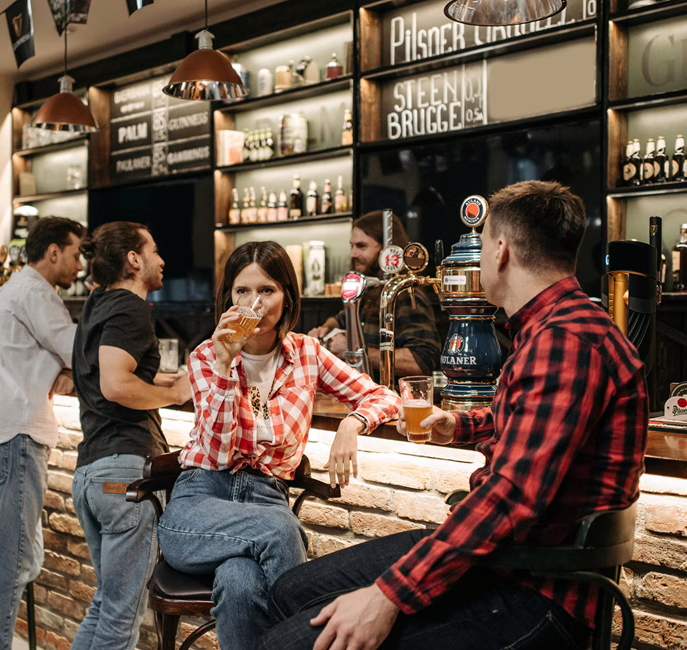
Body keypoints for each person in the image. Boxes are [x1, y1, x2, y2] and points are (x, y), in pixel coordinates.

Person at [259, 181, 649, 650]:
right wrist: (459, 425)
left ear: (501, 250)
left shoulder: (562, 342)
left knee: (287, 642)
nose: (479, 255)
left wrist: (388, 596)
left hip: (536, 589)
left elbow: (510, 499)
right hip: (507, 561)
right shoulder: (559, 328)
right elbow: (538, 429)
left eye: (482, 242)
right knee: (289, 591)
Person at [157, 241, 400, 650]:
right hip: (200, 504)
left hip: (267, 497)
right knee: (278, 527)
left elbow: (384, 397)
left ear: (287, 295)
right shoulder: (205, 357)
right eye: (242, 292)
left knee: (238, 581)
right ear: (228, 298)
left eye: (267, 291)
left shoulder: (306, 352)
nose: (254, 303)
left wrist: (351, 425)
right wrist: (224, 366)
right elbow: (216, 454)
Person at [0, 217, 85, 650]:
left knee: (15, 564)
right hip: (16, 439)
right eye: (75, 253)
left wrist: (64, 368)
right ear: (53, 252)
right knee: (12, 570)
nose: (80, 265)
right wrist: (71, 365)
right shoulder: (37, 292)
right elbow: (78, 351)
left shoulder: (11, 290)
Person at [71, 222, 190, 650]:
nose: (162, 260)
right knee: (121, 616)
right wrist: (174, 394)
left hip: (91, 475)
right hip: (124, 478)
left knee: (107, 606)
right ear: (134, 260)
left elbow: (111, 370)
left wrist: (159, 377)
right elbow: (115, 385)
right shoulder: (131, 306)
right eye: (154, 250)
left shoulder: (97, 303)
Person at [309, 211, 440, 381]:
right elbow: (342, 319)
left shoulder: (405, 295)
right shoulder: (369, 292)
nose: (353, 254)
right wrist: (325, 329)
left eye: (361, 246)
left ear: (386, 251)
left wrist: (353, 351)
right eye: (352, 246)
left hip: (394, 401)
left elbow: (420, 362)